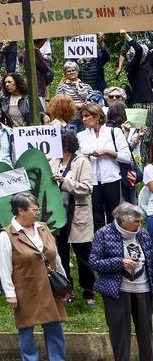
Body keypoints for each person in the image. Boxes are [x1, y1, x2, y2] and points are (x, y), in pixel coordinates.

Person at [0, 192, 68, 361]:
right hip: (26, 288)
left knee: (54, 327)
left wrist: (64, 282)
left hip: (50, 286)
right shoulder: (7, 235)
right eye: (34, 209)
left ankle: (57, 359)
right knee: (26, 328)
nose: (37, 212)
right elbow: (4, 267)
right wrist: (10, 293)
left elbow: (55, 256)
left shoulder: (43, 228)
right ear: (21, 211)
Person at [89, 202, 153, 361]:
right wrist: (120, 262)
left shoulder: (143, 234)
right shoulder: (103, 234)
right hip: (116, 292)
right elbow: (94, 262)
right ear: (123, 220)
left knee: (146, 334)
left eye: (140, 220)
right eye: (136, 221)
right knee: (120, 335)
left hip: (143, 290)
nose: (140, 224)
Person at [53, 130, 96, 306]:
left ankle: (89, 291)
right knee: (61, 255)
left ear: (67, 145)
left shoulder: (82, 162)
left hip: (77, 215)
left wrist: (64, 183)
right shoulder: (53, 161)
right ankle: (67, 289)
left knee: (83, 256)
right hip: (58, 216)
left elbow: (86, 188)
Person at [79, 102, 132, 232]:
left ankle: (114, 243)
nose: (84, 119)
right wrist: (84, 157)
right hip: (91, 181)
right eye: (82, 117)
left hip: (111, 179)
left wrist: (107, 152)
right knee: (95, 217)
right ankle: (99, 245)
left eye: (87, 116)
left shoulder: (114, 132)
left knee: (113, 215)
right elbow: (77, 159)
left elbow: (127, 157)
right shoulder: (80, 136)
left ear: (98, 117)